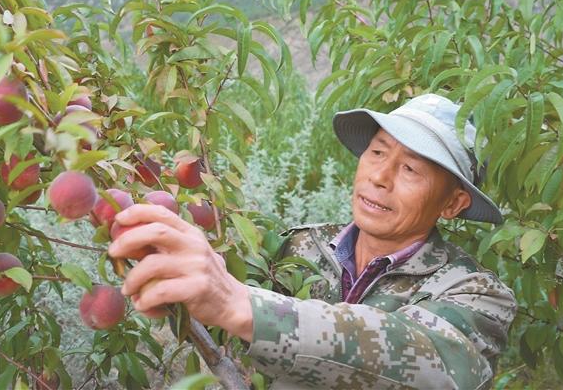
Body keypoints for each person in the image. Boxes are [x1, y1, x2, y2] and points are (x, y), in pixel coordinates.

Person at [108, 94, 517, 389]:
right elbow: (223, 335)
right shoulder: (300, 247)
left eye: (410, 168)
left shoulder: (477, 295)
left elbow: (433, 363)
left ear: (452, 203)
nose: (379, 176)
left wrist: (240, 303)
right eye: (377, 152)